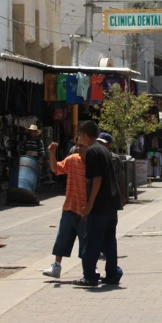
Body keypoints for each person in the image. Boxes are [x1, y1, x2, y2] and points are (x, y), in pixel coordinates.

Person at [74, 120, 122, 287]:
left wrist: (89, 204)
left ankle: (89, 276)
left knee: (92, 241)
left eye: (80, 135)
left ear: (85, 134)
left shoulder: (93, 152)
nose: (79, 139)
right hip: (111, 203)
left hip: (99, 205)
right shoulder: (104, 150)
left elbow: (97, 179)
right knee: (109, 241)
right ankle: (112, 273)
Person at [43, 140, 88, 278]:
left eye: (82, 145)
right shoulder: (72, 159)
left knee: (86, 243)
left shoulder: (93, 163)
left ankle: (90, 269)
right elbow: (55, 168)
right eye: (78, 145)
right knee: (62, 238)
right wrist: (51, 153)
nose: (78, 148)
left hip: (85, 210)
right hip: (69, 207)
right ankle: (56, 266)